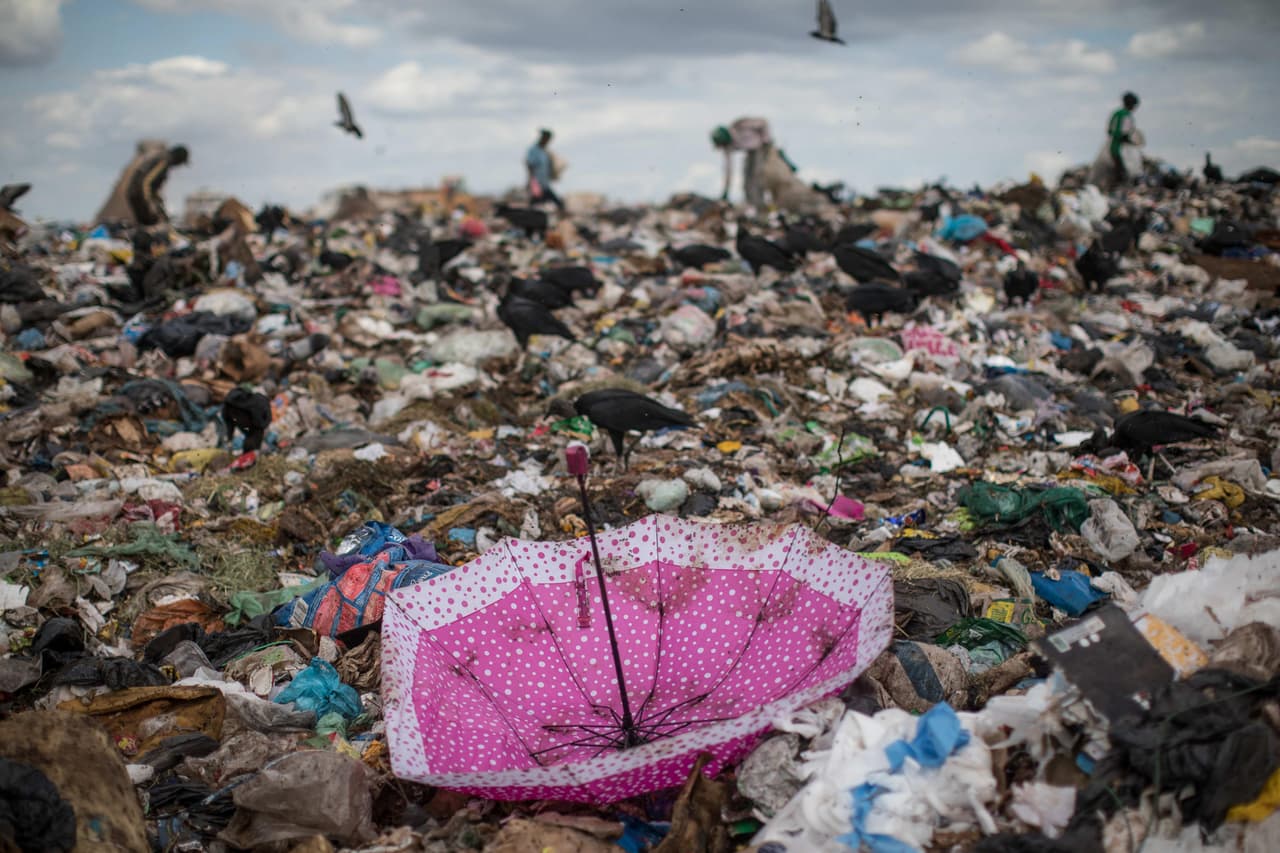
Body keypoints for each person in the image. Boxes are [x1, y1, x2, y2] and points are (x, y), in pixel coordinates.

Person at [711, 117, 773, 206]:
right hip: (749, 153)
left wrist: (766, 139)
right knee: (746, 180)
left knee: (757, 176)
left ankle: (760, 204)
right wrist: (725, 192)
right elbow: (728, 170)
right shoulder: (727, 146)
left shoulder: (740, 125)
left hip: (761, 148)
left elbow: (763, 122)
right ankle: (752, 204)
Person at [126, 145, 189, 227]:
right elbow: (146, 182)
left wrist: (158, 201)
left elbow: (152, 187)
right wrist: (149, 202)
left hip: (136, 193)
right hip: (139, 194)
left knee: (148, 223)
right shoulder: (164, 160)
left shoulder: (162, 157)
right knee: (151, 223)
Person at [525, 128, 565, 212]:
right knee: (536, 205)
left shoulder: (545, 152)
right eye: (546, 139)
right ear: (542, 138)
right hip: (537, 183)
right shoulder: (533, 150)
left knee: (549, 203)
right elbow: (530, 165)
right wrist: (530, 180)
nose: (547, 141)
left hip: (545, 183)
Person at [1107, 93, 1140, 185]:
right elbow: (1124, 133)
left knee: (1117, 171)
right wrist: (1131, 142)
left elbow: (1109, 130)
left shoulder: (1116, 113)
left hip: (1113, 146)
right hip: (1122, 149)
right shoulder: (1126, 115)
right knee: (1123, 173)